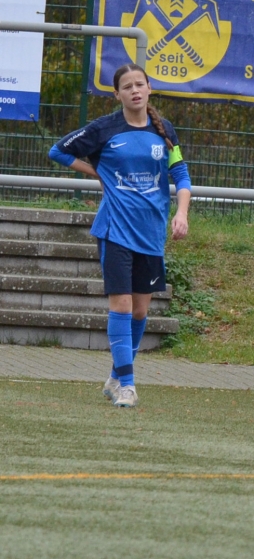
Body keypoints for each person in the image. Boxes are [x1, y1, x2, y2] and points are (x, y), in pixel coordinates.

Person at [49, 64, 192, 408]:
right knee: (123, 304)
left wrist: (182, 212)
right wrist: (97, 170)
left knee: (141, 311)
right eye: (126, 87)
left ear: (149, 88)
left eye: (139, 84)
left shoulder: (164, 130)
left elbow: (181, 174)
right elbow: (59, 151)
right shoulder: (106, 128)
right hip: (115, 229)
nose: (134, 91)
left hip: (152, 232)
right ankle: (127, 385)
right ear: (118, 95)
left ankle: (116, 374)